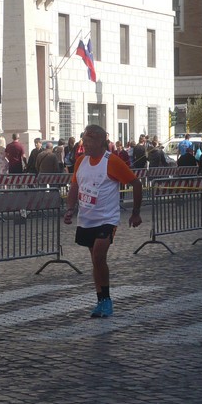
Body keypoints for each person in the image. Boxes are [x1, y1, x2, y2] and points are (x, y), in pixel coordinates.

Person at [63, 125, 142, 318]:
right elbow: (75, 185)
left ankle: (107, 301)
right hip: (87, 219)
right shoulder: (80, 161)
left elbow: (136, 183)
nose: (85, 145)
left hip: (107, 218)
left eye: (88, 142)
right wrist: (70, 209)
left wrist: (136, 213)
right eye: (84, 141)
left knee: (99, 256)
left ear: (100, 141)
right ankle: (100, 300)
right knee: (95, 261)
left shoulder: (112, 162)